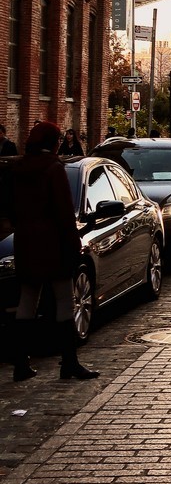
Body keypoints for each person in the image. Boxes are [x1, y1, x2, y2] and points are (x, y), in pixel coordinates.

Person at [8, 121, 98, 383]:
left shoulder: (18, 169)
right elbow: (63, 213)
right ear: (52, 143)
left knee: (27, 300)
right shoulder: (53, 169)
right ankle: (69, 362)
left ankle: (20, 363)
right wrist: (73, 244)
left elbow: (11, 209)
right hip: (53, 243)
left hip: (25, 242)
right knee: (63, 301)